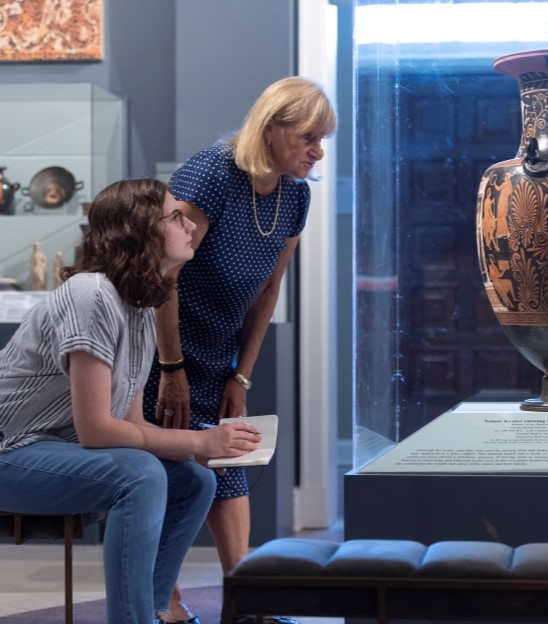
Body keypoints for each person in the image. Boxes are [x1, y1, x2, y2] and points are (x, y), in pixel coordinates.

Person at [0, 178, 262, 624]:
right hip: (11, 451)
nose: (191, 227)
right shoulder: (93, 294)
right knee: (140, 474)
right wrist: (200, 443)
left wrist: (206, 442)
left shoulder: (137, 304)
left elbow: (133, 428)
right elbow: (98, 430)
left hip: (50, 450)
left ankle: (153, 611)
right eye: (176, 217)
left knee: (194, 482)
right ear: (142, 228)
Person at [143, 76, 337, 624]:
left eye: (321, 140)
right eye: (308, 137)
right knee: (164, 470)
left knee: (229, 463)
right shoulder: (212, 172)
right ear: (273, 128)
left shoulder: (296, 195)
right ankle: (165, 601)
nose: (317, 151)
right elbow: (164, 269)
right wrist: (170, 366)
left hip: (217, 351)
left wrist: (241, 376)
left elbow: (268, 290)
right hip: (163, 346)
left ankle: (245, 600)